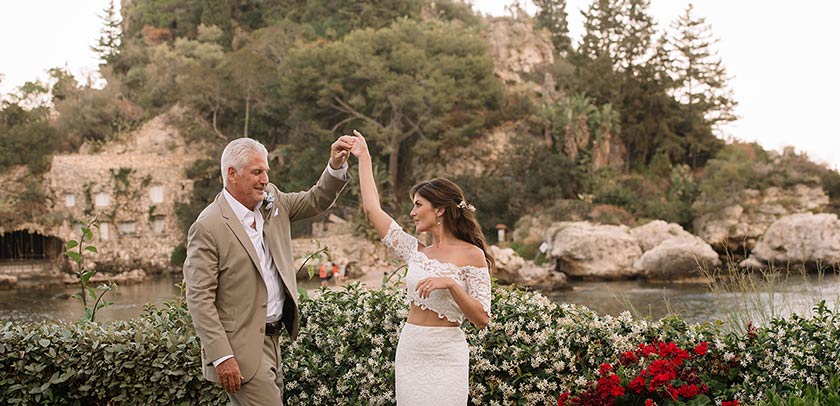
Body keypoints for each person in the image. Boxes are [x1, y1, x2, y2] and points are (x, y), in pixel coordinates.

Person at [183, 136, 353, 405]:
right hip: (241, 349)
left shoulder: (271, 199)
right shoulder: (208, 226)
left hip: (274, 339)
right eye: (257, 172)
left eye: (266, 172)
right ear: (232, 174)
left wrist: (335, 166)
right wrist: (222, 356)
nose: (264, 179)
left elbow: (315, 200)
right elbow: (199, 298)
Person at [349, 130, 492, 405]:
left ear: (439, 210)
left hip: (448, 355)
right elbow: (372, 210)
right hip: (412, 348)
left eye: (418, 205)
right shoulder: (415, 251)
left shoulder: (472, 254)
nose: (412, 212)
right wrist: (364, 158)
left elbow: (482, 318)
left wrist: (450, 284)